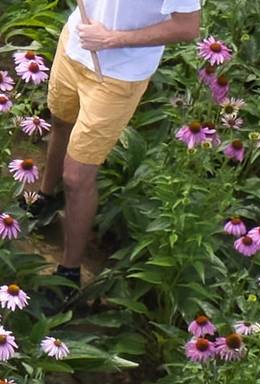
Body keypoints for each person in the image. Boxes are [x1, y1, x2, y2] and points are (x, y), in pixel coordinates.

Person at [39, 0, 204, 290]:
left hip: (117, 76)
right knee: (61, 121)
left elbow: (187, 26)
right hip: (72, 47)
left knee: (77, 176)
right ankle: (44, 196)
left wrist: (113, 38)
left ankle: (69, 273)